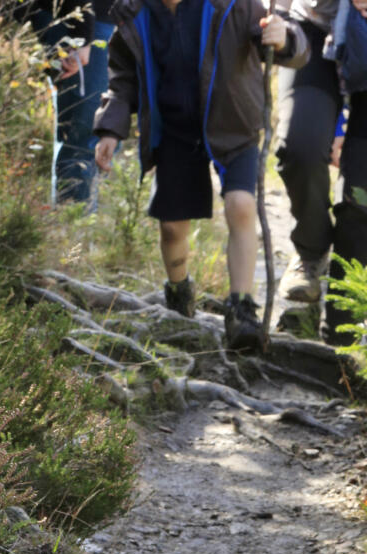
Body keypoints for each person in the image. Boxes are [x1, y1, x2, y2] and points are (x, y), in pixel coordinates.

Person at [92, 0, 309, 350]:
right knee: (171, 226)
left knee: (241, 205)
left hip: (234, 124)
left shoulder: (232, 5)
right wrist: (110, 129)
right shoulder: (135, 13)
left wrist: (284, 37)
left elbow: (291, 49)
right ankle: (180, 297)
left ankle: (241, 309)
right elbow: (123, 80)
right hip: (176, 130)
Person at [274, 0, 367, 341]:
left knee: (365, 197)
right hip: (312, 26)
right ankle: (311, 256)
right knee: (301, 146)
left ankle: (340, 339)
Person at [6, 3, 113, 203]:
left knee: (95, 128)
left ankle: (78, 215)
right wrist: (84, 37)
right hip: (82, 22)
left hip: (100, 22)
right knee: (84, 129)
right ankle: (74, 216)